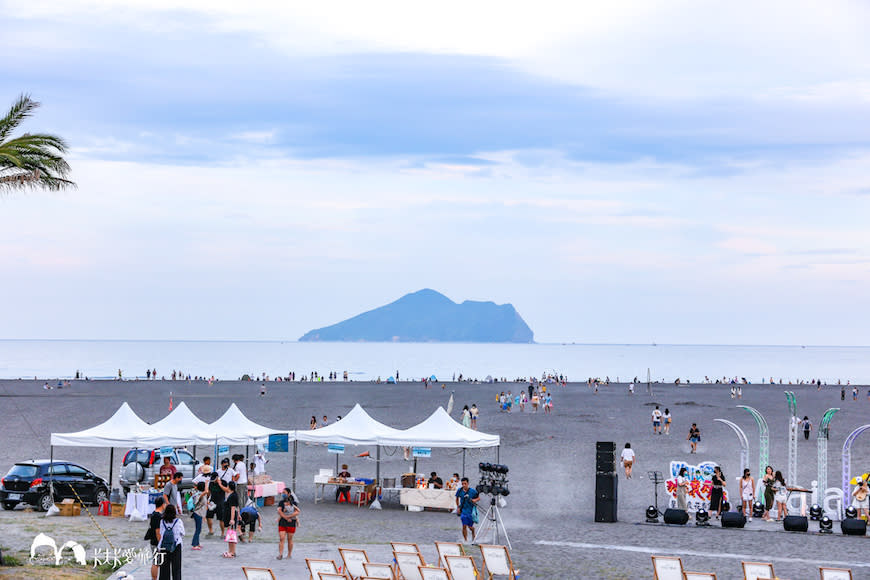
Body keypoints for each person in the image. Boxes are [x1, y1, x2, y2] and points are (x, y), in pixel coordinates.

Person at [158, 504, 184, 580]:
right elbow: (182, 533)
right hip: (176, 545)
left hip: (164, 546)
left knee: (164, 569)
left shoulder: (162, 521)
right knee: (176, 568)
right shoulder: (178, 521)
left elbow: (161, 533)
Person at [277, 487, 300, 560]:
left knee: (289, 539)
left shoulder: (294, 503)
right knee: (281, 538)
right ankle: (280, 554)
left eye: (284, 493)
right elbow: (279, 511)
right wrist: (285, 517)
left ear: (289, 494)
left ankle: (289, 554)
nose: (283, 494)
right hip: (282, 522)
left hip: (291, 523)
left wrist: (290, 516)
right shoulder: (281, 502)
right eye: (282, 493)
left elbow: (297, 512)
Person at [455, 477, 480, 543]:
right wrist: (458, 507)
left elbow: (478, 498)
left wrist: (474, 500)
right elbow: (457, 498)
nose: (464, 485)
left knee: (470, 527)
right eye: (462, 484)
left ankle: (473, 531)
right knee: (464, 525)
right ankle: (465, 540)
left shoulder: (473, 491)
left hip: (471, 511)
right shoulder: (459, 490)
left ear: (468, 484)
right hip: (463, 510)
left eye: (465, 484)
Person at [146, 496, 165, 580]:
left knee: (157, 561)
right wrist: (160, 543)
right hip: (156, 542)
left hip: (153, 540)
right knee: (156, 562)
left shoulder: (154, 513)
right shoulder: (158, 516)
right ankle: (154, 578)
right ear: (162, 504)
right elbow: (158, 531)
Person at [223, 481, 240, 558]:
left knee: (232, 534)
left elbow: (233, 507)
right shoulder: (231, 495)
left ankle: (232, 552)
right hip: (229, 515)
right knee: (230, 534)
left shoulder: (233, 496)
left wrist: (232, 519)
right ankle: (230, 550)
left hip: (231, 516)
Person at [190, 481, 207, 550]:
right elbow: (206, 491)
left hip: (199, 513)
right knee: (198, 529)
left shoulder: (199, 494)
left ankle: (197, 543)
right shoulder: (200, 494)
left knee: (199, 529)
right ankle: (194, 544)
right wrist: (207, 482)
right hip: (198, 513)